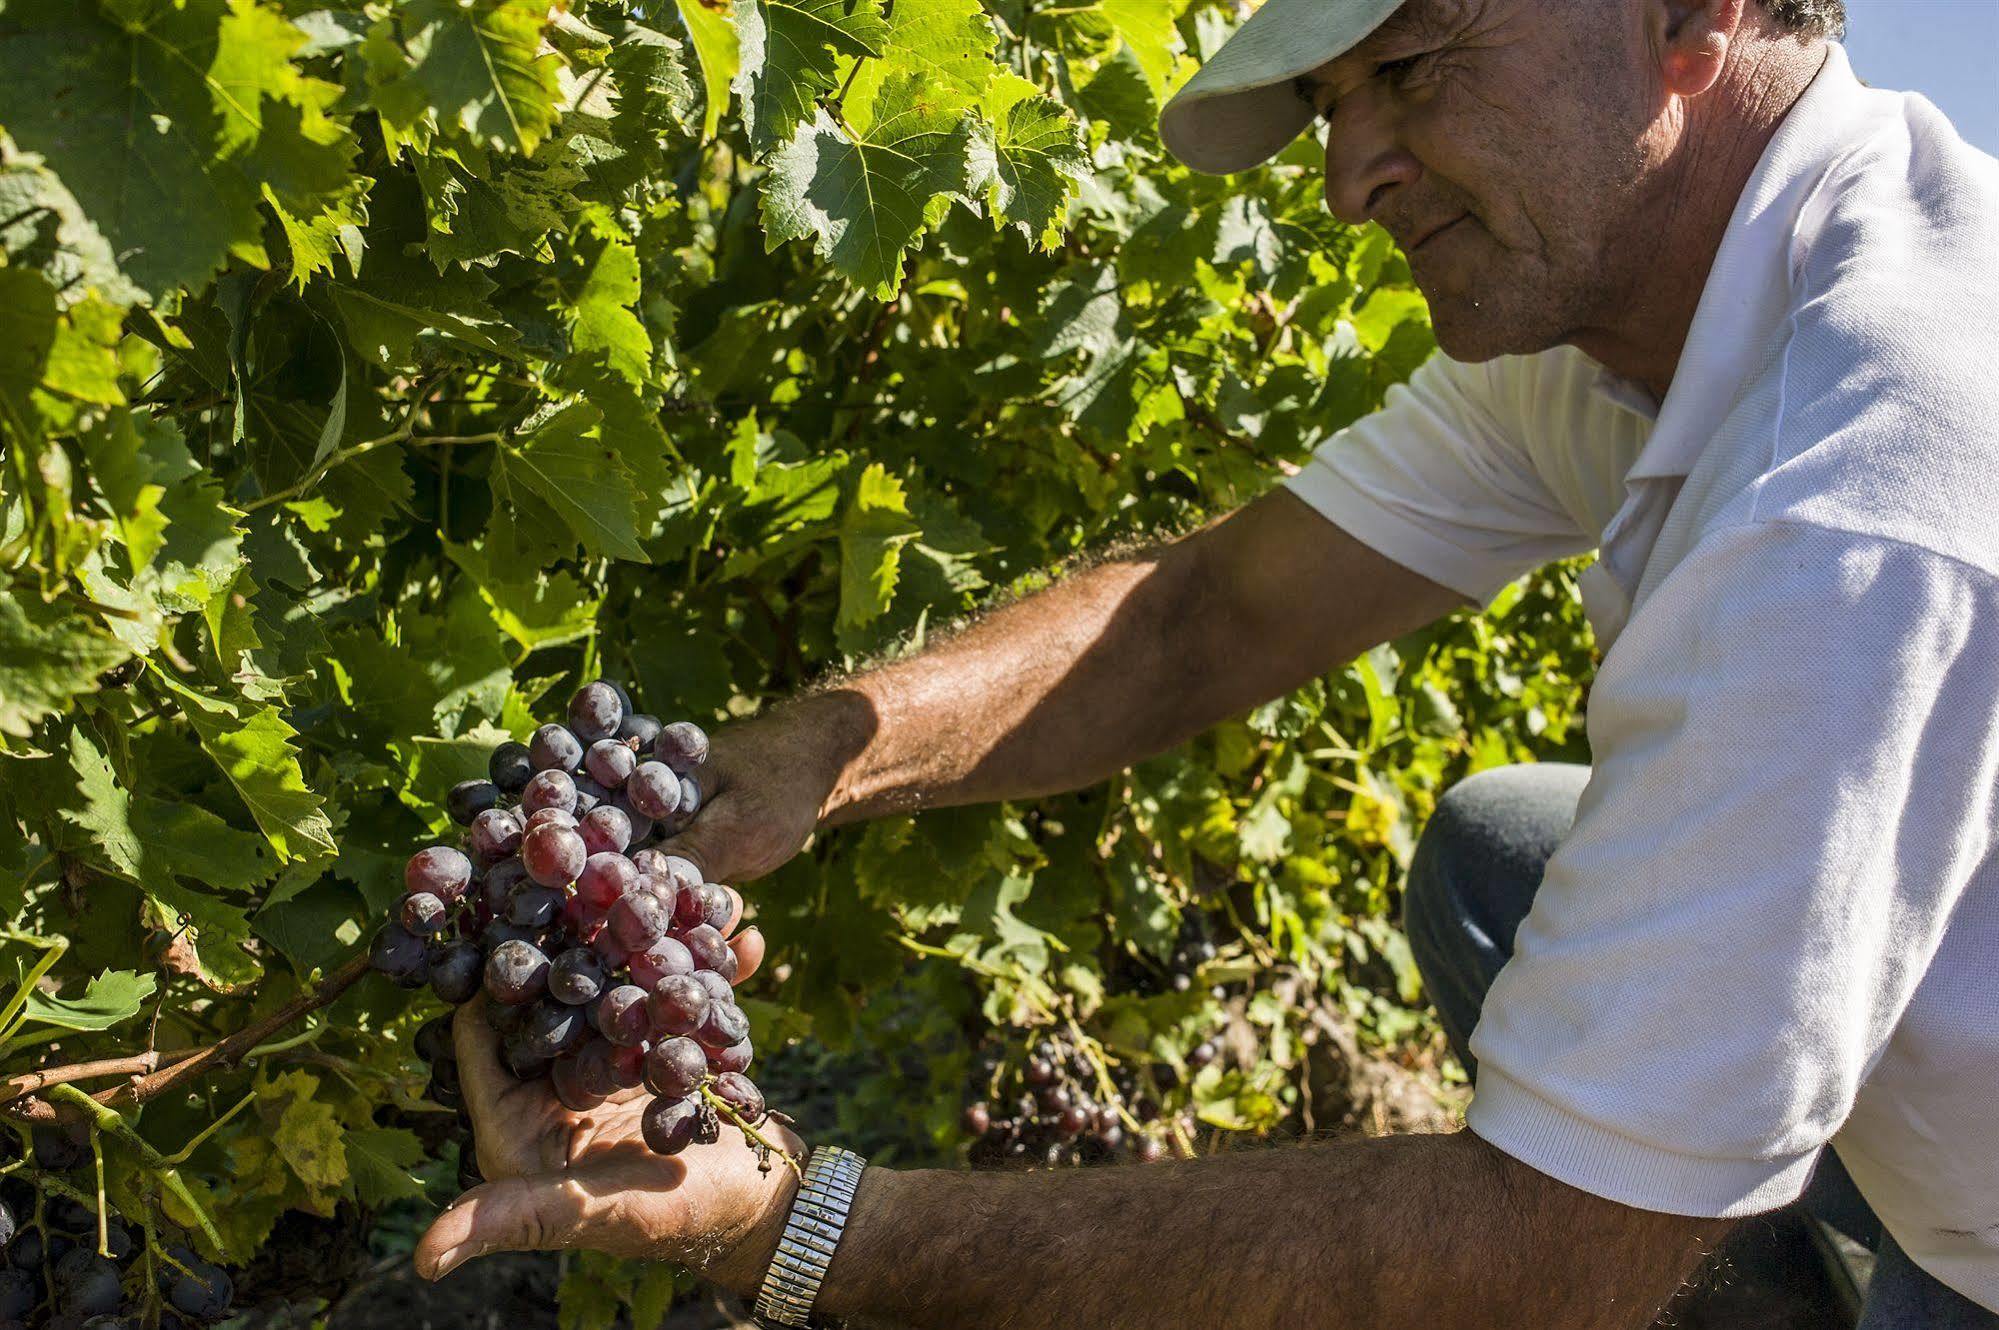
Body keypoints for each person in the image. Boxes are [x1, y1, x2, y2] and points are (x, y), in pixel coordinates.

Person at [414, 0, 1999, 1326]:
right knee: (1498, 849)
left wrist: (799, 1226)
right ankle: (1735, 1190)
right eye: (1327, 100)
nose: (1350, 179)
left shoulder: (1860, 488)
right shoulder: (1633, 307)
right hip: (1937, 1057)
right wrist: (822, 748)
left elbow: (1536, 1248)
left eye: (1412, 64)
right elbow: (1205, 611)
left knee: (1622, 1203)